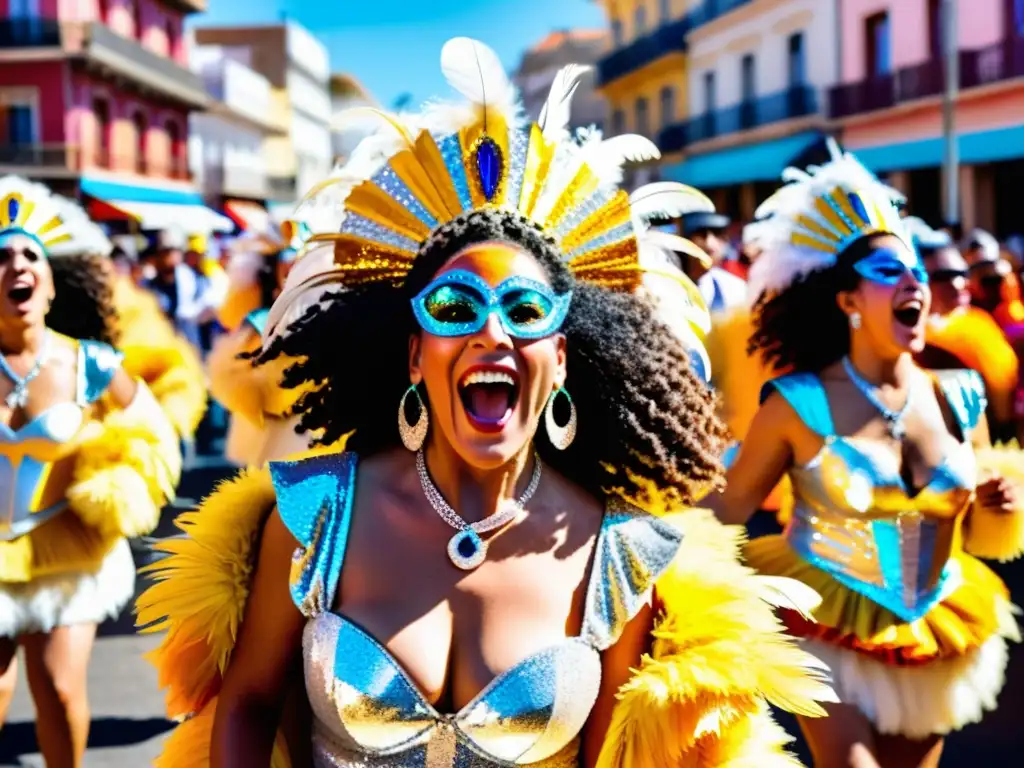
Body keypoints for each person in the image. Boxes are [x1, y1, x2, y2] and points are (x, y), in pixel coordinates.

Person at [137, 38, 835, 768]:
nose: (492, 331)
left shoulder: (619, 552)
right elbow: (247, 704)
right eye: (454, 305)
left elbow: (612, 757)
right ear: (413, 353)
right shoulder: (316, 515)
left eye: (527, 310)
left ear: (561, 360)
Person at [707, 143, 1023, 767]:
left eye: (917, 274)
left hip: (931, 620)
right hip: (823, 620)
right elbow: (724, 512)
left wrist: (1000, 503)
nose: (914, 283)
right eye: (889, 273)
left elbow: (983, 536)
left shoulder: (960, 395)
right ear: (848, 301)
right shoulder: (798, 403)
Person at [0, 175, 179, 765]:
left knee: (58, 688)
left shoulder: (91, 364)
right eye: (1, 257)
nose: (16, 266)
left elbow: (155, 433)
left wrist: (122, 483)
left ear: (51, 284)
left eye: (31, 256)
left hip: (66, 549)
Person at [906, 217, 1019, 443]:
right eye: (942, 277)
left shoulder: (978, 317)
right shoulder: (913, 341)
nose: (957, 284)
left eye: (961, 273)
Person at [679, 210, 747, 312]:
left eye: (717, 234)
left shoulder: (736, 288)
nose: (710, 243)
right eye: (701, 234)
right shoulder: (665, 285)